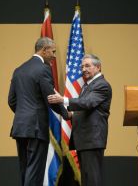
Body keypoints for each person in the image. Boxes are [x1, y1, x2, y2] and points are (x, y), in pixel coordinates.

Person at [8, 37, 70, 186]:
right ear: (44, 50)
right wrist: (67, 114)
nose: (54, 56)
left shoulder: (19, 70)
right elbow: (51, 98)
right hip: (35, 128)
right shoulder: (43, 69)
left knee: (25, 168)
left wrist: (24, 114)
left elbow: (11, 101)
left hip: (20, 127)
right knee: (35, 170)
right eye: (53, 51)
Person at [48, 54, 112, 186]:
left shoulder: (102, 85)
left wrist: (63, 99)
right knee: (87, 180)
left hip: (92, 140)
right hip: (85, 140)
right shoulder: (88, 86)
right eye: (82, 66)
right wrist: (70, 114)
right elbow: (86, 109)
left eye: (87, 66)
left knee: (93, 180)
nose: (83, 69)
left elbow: (87, 103)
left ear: (98, 67)